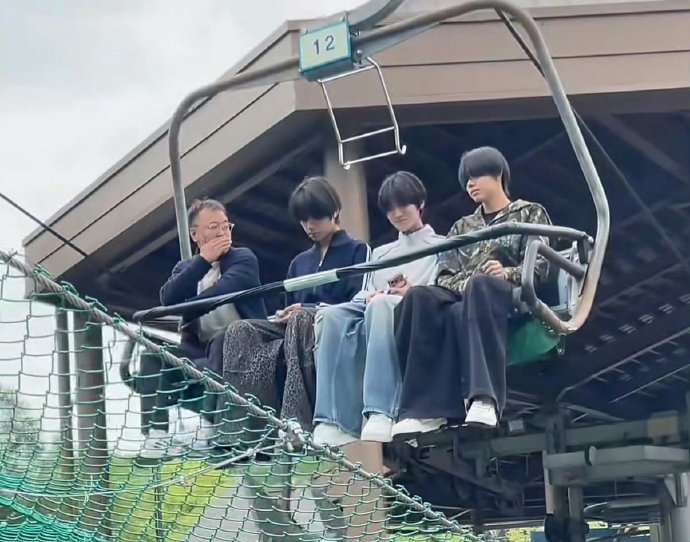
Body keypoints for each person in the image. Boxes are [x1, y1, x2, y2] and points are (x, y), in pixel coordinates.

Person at [392, 146, 552, 436]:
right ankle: (425, 409)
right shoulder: (463, 226)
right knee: (419, 297)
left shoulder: (529, 213)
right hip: (468, 293)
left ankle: (484, 398)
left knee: (481, 285)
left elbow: (541, 265)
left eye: (477, 176)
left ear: (498, 175)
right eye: (467, 180)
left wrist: (508, 273)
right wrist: (465, 283)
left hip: (509, 296)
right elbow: (444, 275)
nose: (470, 184)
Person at [212, 176, 370, 445]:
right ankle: (240, 430)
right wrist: (284, 314)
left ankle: (296, 420)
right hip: (296, 328)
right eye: (303, 220)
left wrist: (308, 309)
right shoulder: (300, 262)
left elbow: (359, 301)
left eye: (315, 218)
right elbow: (290, 304)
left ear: (334, 212)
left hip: (334, 328)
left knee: (302, 319)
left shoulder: (358, 251)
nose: (309, 226)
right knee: (240, 330)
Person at [312, 172, 446, 447]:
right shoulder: (381, 253)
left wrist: (408, 293)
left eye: (403, 205)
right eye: (390, 209)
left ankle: (382, 410)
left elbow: (441, 288)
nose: (397, 214)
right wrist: (373, 296)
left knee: (382, 306)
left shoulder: (441, 246)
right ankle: (334, 420)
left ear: (420, 203)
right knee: (330, 316)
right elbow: (364, 293)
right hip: (377, 308)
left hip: (415, 313)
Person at [139, 198, 267, 457]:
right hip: (201, 353)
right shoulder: (186, 268)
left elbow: (221, 293)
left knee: (224, 338)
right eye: (213, 227)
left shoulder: (243, 259)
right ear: (195, 235)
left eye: (226, 226)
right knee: (152, 354)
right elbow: (168, 298)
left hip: (245, 353)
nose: (222, 233)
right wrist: (203, 261)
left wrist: (185, 309)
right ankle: (156, 434)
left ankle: (209, 426)